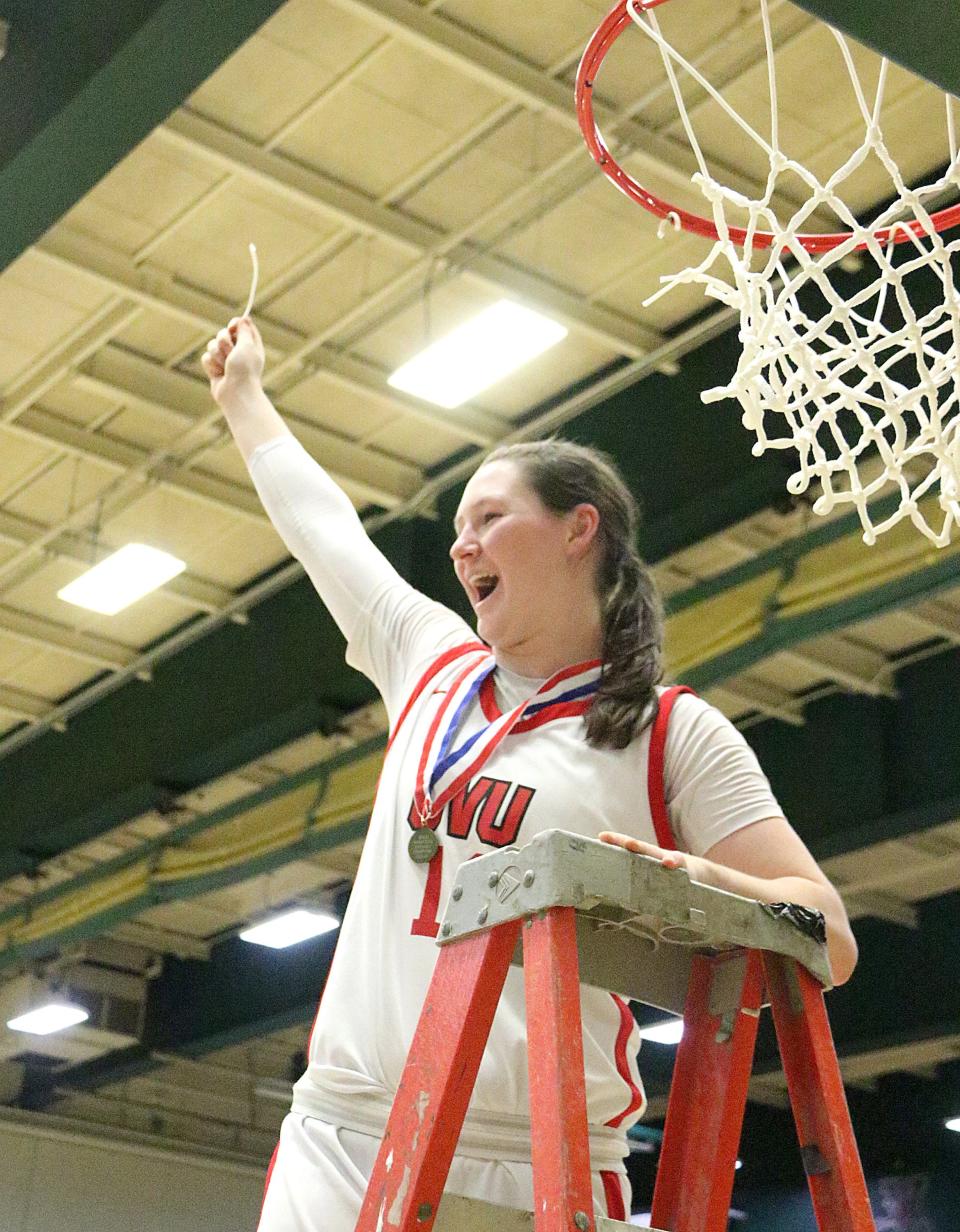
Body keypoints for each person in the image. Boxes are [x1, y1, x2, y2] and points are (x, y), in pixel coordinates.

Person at [203, 316, 858, 1232]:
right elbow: (326, 531)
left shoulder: (673, 733)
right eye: (457, 529)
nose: (460, 546)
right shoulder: (425, 660)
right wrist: (244, 399)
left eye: (489, 519)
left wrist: (701, 884)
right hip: (348, 1133)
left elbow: (829, 935)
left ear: (577, 530)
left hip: (542, 1159)